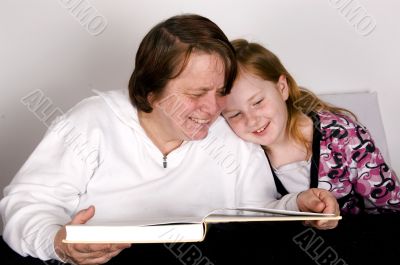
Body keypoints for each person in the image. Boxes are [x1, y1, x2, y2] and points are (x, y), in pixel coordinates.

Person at [0, 15, 339, 265]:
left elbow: (256, 215)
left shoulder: (230, 135)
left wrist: (297, 205)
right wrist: (59, 242)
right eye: (195, 94)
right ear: (150, 91)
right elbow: (23, 208)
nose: (212, 109)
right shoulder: (91, 123)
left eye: (221, 92)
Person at [222, 39, 400, 216]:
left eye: (258, 102)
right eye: (235, 114)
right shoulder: (241, 153)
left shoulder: (344, 136)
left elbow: (392, 206)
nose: (251, 120)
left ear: (282, 88)